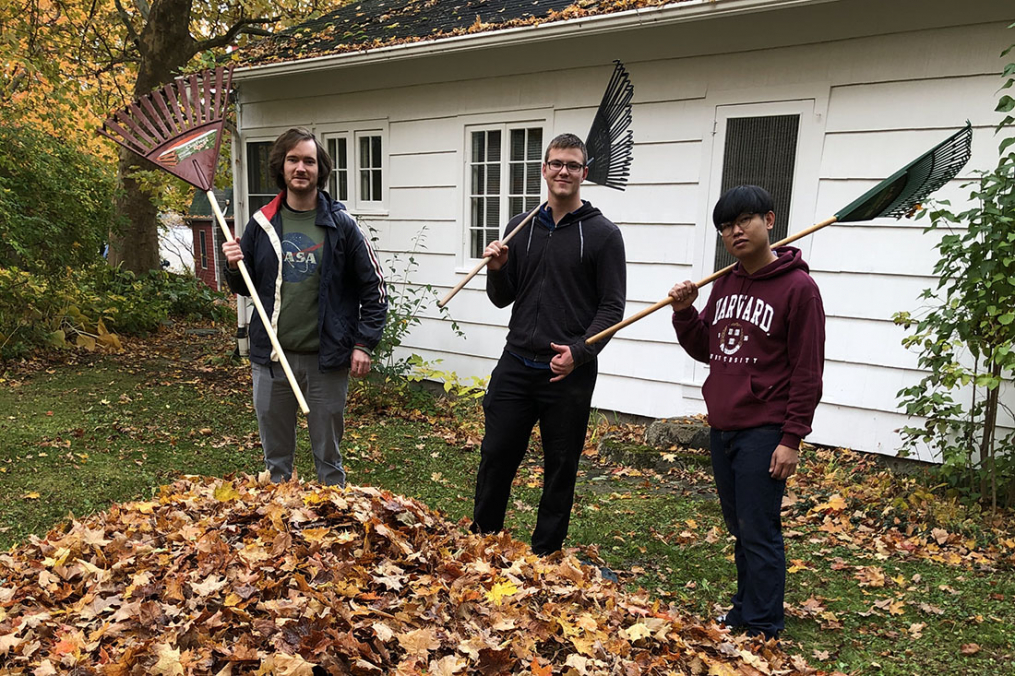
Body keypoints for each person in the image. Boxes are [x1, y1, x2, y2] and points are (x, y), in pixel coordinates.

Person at [668, 185, 825, 640]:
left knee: (758, 529)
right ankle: (744, 609)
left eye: (744, 221)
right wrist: (685, 312)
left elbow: (807, 369)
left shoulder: (800, 289)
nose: (735, 232)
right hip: (723, 425)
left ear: (769, 221)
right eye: (725, 226)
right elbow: (707, 348)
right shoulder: (725, 281)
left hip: (765, 427)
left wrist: (792, 437)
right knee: (741, 526)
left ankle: (762, 625)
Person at [471, 133, 627, 555]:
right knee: (497, 454)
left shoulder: (603, 235)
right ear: (543, 169)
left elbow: (612, 309)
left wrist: (578, 353)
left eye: (572, 165)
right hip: (517, 364)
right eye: (556, 163)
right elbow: (502, 298)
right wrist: (498, 269)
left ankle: (545, 555)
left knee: (560, 467)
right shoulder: (520, 226)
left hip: (568, 374)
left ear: (584, 174)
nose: (563, 171)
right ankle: (483, 543)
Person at [222, 128, 387, 487]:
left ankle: (333, 526)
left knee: (329, 457)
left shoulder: (341, 226)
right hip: (272, 358)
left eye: (309, 161)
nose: (301, 167)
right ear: (281, 166)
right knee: (276, 458)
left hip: (325, 360)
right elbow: (244, 287)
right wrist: (233, 264)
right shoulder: (261, 223)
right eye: (293, 159)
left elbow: (373, 287)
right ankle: (280, 526)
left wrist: (363, 343)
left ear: (319, 169)